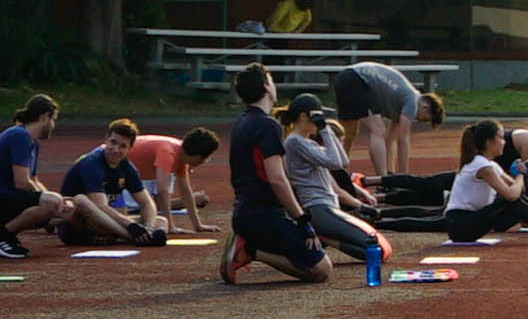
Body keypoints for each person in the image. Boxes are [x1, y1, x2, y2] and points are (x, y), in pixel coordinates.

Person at [220, 62, 328, 285]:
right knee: (321, 270)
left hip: (244, 213)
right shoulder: (268, 125)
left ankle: (249, 245)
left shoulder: (241, 122)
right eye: (272, 81)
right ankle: (250, 250)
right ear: (267, 88)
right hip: (264, 216)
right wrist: (301, 218)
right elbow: (277, 179)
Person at [402, 122, 528, 246]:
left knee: (423, 219)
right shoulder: (483, 166)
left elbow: (519, 190)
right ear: (489, 142)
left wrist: (519, 176)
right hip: (461, 225)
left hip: (468, 219)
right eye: (500, 138)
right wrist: (520, 175)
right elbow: (512, 195)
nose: (503, 142)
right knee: (422, 213)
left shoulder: (491, 164)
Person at [279, 96, 384, 265]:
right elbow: (334, 162)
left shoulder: (306, 142)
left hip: (328, 206)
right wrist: (324, 130)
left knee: (377, 249)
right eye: (317, 116)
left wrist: (326, 128)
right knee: (376, 250)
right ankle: (325, 237)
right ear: (303, 117)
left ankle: (326, 237)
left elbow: (343, 161)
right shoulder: (294, 142)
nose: (320, 121)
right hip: (318, 207)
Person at [0, 95, 68, 259]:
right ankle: (1, 236)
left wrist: (55, 203)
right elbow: (22, 182)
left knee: (59, 205)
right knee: (53, 202)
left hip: (5, 199)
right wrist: (50, 201)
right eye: (53, 120)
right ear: (44, 117)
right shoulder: (20, 136)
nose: (54, 125)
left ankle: (7, 235)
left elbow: (34, 180)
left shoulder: (32, 142)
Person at [57, 119, 168, 247]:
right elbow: (100, 206)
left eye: (122, 146)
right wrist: (131, 226)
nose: (116, 149)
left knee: (161, 222)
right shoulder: (92, 163)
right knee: (80, 200)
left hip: (106, 222)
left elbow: (147, 203)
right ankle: (132, 238)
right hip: (79, 224)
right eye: (113, 142)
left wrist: (148, 227)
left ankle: (142, 236)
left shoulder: (127, 168)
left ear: (130, 149)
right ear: (106, 140)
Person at [329, 61, 444, 179]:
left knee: (348, 135)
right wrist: (405, 177)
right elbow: (403, 141)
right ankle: (382, 178)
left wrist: (392, 173)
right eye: (423, 118)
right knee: (378, 130)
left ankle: (339, 175)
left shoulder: (402, 103)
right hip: (358, 79)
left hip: (344, 77)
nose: (416, 120)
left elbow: (391, 141)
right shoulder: (412, 101)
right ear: (425, 108)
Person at [127, 128, 219, 227]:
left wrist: (198, 225)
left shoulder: (181, 154)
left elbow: (185, 191)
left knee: (151, 199)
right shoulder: (168, 153)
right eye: (205, 158)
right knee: (145, 204)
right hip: (122, 173)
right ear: (198, 156)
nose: (204, 161)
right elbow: (162, 191)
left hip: (135, 175)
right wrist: (170, 225)